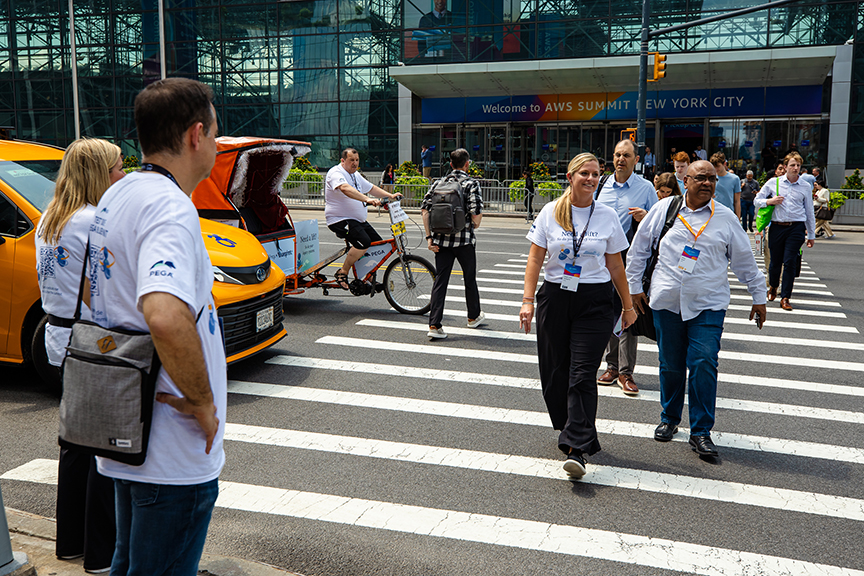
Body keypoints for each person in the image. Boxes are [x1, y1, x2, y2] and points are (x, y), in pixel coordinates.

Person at [88, 78, 226, 575]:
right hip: (170, 450)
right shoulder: (170, 207)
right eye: (214, 132)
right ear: (195, 135)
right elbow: (165, 316)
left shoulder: (119, 194)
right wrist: (202, 401)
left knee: (129, 564)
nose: (215, 143)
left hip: (127, 429)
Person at [626, 160, 767, 458]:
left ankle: (701, 431)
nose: (707, 184)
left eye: (712, 179)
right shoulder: (664, 210)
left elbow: (745, 261)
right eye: (701, 178)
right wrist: (634, 288)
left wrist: (758, 296)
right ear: (685, 181)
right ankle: (669, 418)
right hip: (666, 302)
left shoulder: (725, 218)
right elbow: (639, 250)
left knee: (704, 362)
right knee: (671, 365)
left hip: (708, 304)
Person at [35, 138, 124, 573]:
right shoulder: (93, 221)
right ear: (98, 174)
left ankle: (69, 541)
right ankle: (99, 554)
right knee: (101, 449)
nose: (122, 176)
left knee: (74, 444)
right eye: (117, 169)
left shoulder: (49, 218)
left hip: (58, 338)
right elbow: (101, 289)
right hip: (92, 342)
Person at [520, 152, 636, 479]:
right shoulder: (550, 212)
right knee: (556, 372)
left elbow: (616, 265)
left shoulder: (608, 216)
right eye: (584, 173)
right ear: (570, 177)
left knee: (582, 373)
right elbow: (534, 260)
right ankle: (573, 425)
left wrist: (627, 307)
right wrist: (527, 301)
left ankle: (576, 447)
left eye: (596, 173)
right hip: (555, 297)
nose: (591, 178)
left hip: (595, 301)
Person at [595, 139, 657, 396]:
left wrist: (645, 218)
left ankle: (626, 372)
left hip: (630, 257)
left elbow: (658, 224)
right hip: (602, 257)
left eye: (627, 155)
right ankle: (611, 366)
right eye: (618, 154)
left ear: (636, 159)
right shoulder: (601, 185)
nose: (621, 159)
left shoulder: (645, 188)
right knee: (608, 310)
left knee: (627, 309)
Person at [421, 148, 484, 339]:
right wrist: (472, 225)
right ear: (467, 164)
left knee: (440, 281)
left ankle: (434, 325)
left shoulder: (438, 183)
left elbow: (425, 210)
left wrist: (430, 238)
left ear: (450, 164)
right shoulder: (471, 184)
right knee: (469, 279)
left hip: (440, 242)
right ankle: (473, 317)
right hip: (464, 241)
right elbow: (476, 215)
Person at [324, 148, 402, 290]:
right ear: (343, 161)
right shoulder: (336, 173)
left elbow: (371, 188)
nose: (355, 163)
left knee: (377, 243)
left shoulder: (355, 175)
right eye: (351, 160)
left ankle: (366, 274)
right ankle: (342, 272)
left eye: (357, 160)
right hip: (339, 220)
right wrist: (368, 199)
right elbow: (345, 188)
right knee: (364, 242)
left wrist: (389, 196)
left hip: (357, 220)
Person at [754, 152, 816, 311]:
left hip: (796, 227)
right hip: (777, 226)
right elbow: (757, 200)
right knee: (775, 262)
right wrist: (769, 201)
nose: (796, 168)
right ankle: (773, 286)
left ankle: (786, 297)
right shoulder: (773, 183)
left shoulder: (805, 186)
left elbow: (809, 211)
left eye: (798, 166)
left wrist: (811, 234)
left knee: (790, 262)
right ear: (785, 167)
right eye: (792, 165)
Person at [709, 152, 740, 218]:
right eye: (713, 167)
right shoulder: (709, 178)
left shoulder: (735, 179)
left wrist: (738, 218)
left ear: (724, 164)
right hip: (713, 214)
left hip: (729, 215)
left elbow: (737, 201)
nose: (715, 169)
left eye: (717, 166)